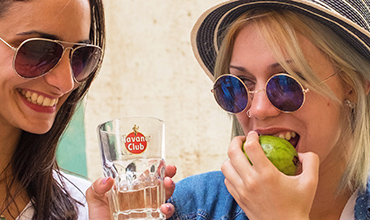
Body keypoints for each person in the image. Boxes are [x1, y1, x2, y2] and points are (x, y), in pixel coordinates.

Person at [167, 0, 370, 219]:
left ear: (352, 85)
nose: (259, 109)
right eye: (241, 83)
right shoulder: (188, 207)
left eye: (287, 82)